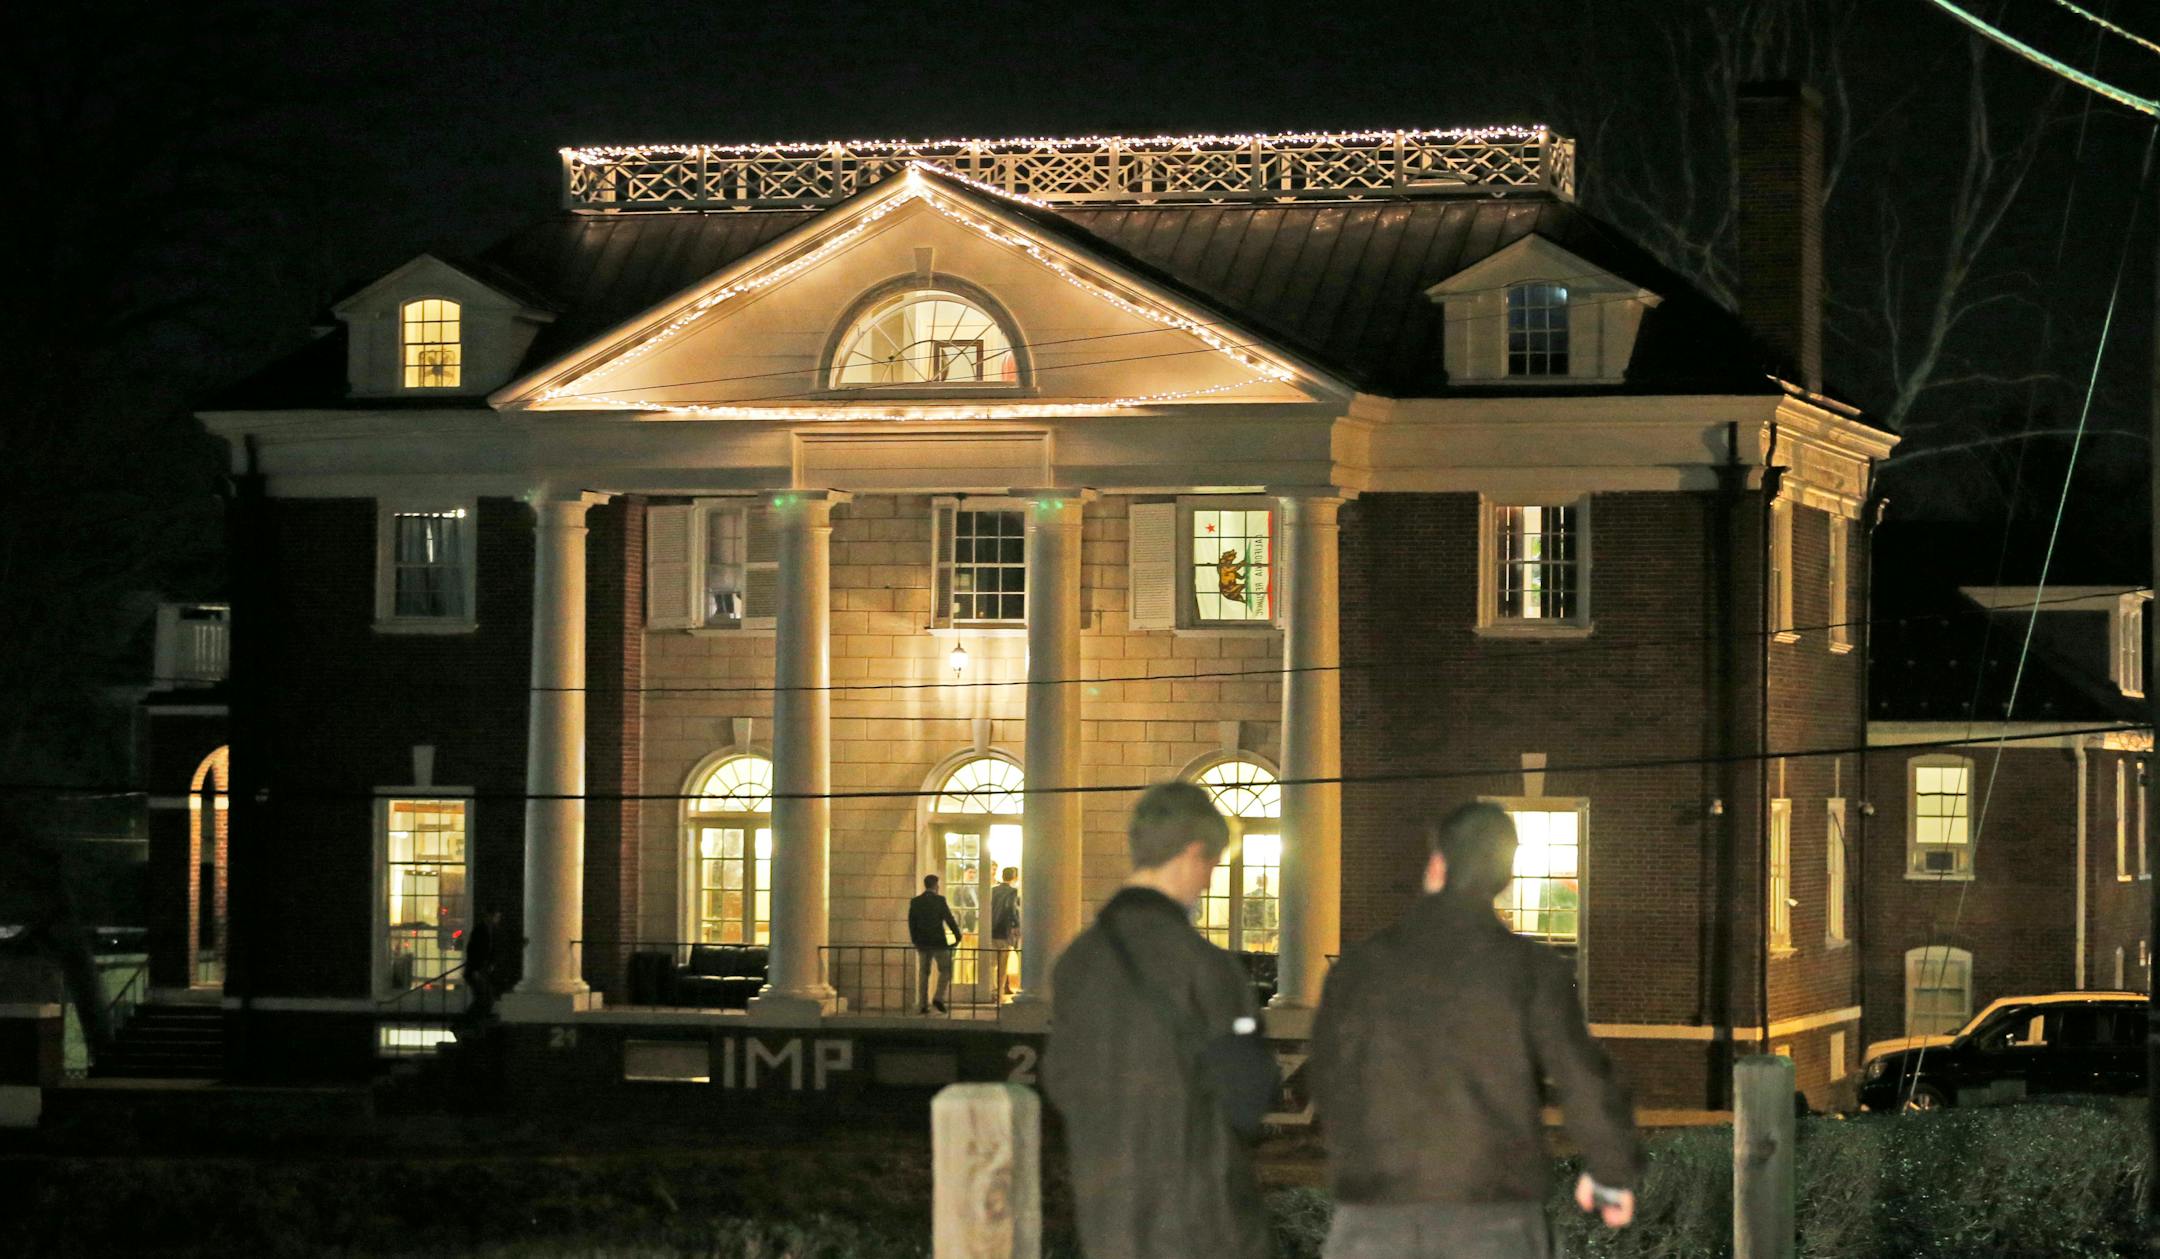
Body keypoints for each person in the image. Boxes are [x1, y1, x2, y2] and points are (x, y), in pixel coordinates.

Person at [1310, 802, 1642, 1259]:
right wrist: (1611, 1171)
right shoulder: (1530, 970)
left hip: (1374, 1213)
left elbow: (1328, 1078)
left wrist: (1364, 1159)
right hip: (1491, 1215)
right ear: (1504, 879)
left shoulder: (1358, 968)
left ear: (1437, 864)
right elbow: (1581, 1078)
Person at [1044, 782, 1272, 1259]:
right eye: (1211, 866)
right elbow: (1249, 1097)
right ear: (1193, 854)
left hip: (1107, 1225)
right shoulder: (1206, 968)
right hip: (1201, 1226)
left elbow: (1063, 1082)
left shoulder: (1076, 964)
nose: (1207, 882)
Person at [908, 873, 962, 1014]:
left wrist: (915, 940)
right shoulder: (940, 900)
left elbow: (911, 923)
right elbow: (949, 919)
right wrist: (957, 936)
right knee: (946, 970)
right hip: (938, 942)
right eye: (937, 885)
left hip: (922, 942)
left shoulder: (915, 902)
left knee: (924, 973)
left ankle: (923, 1004)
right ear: (935, 886)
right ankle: (938, 997)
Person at [460, 906, 504, 1030]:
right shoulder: (481, 930)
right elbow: (474, 951)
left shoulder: (488, 930)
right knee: (485, 998)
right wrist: (476, 969)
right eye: (496, 917)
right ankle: (468, 1024)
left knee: (484, 998)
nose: (498, 919)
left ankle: (472, 1024)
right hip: (477, 970)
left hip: (480, 969)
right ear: (490, 916)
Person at [988, 866, 1021, 999]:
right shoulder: (1013, 892)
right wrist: (1016, 925)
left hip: (990, 929)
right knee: (1003, 964)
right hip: (1004, 930)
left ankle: (992, 990)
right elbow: (1011, 909)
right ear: (1015, 877)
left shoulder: (992, 890)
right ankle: (999, 992)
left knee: (992, 964)